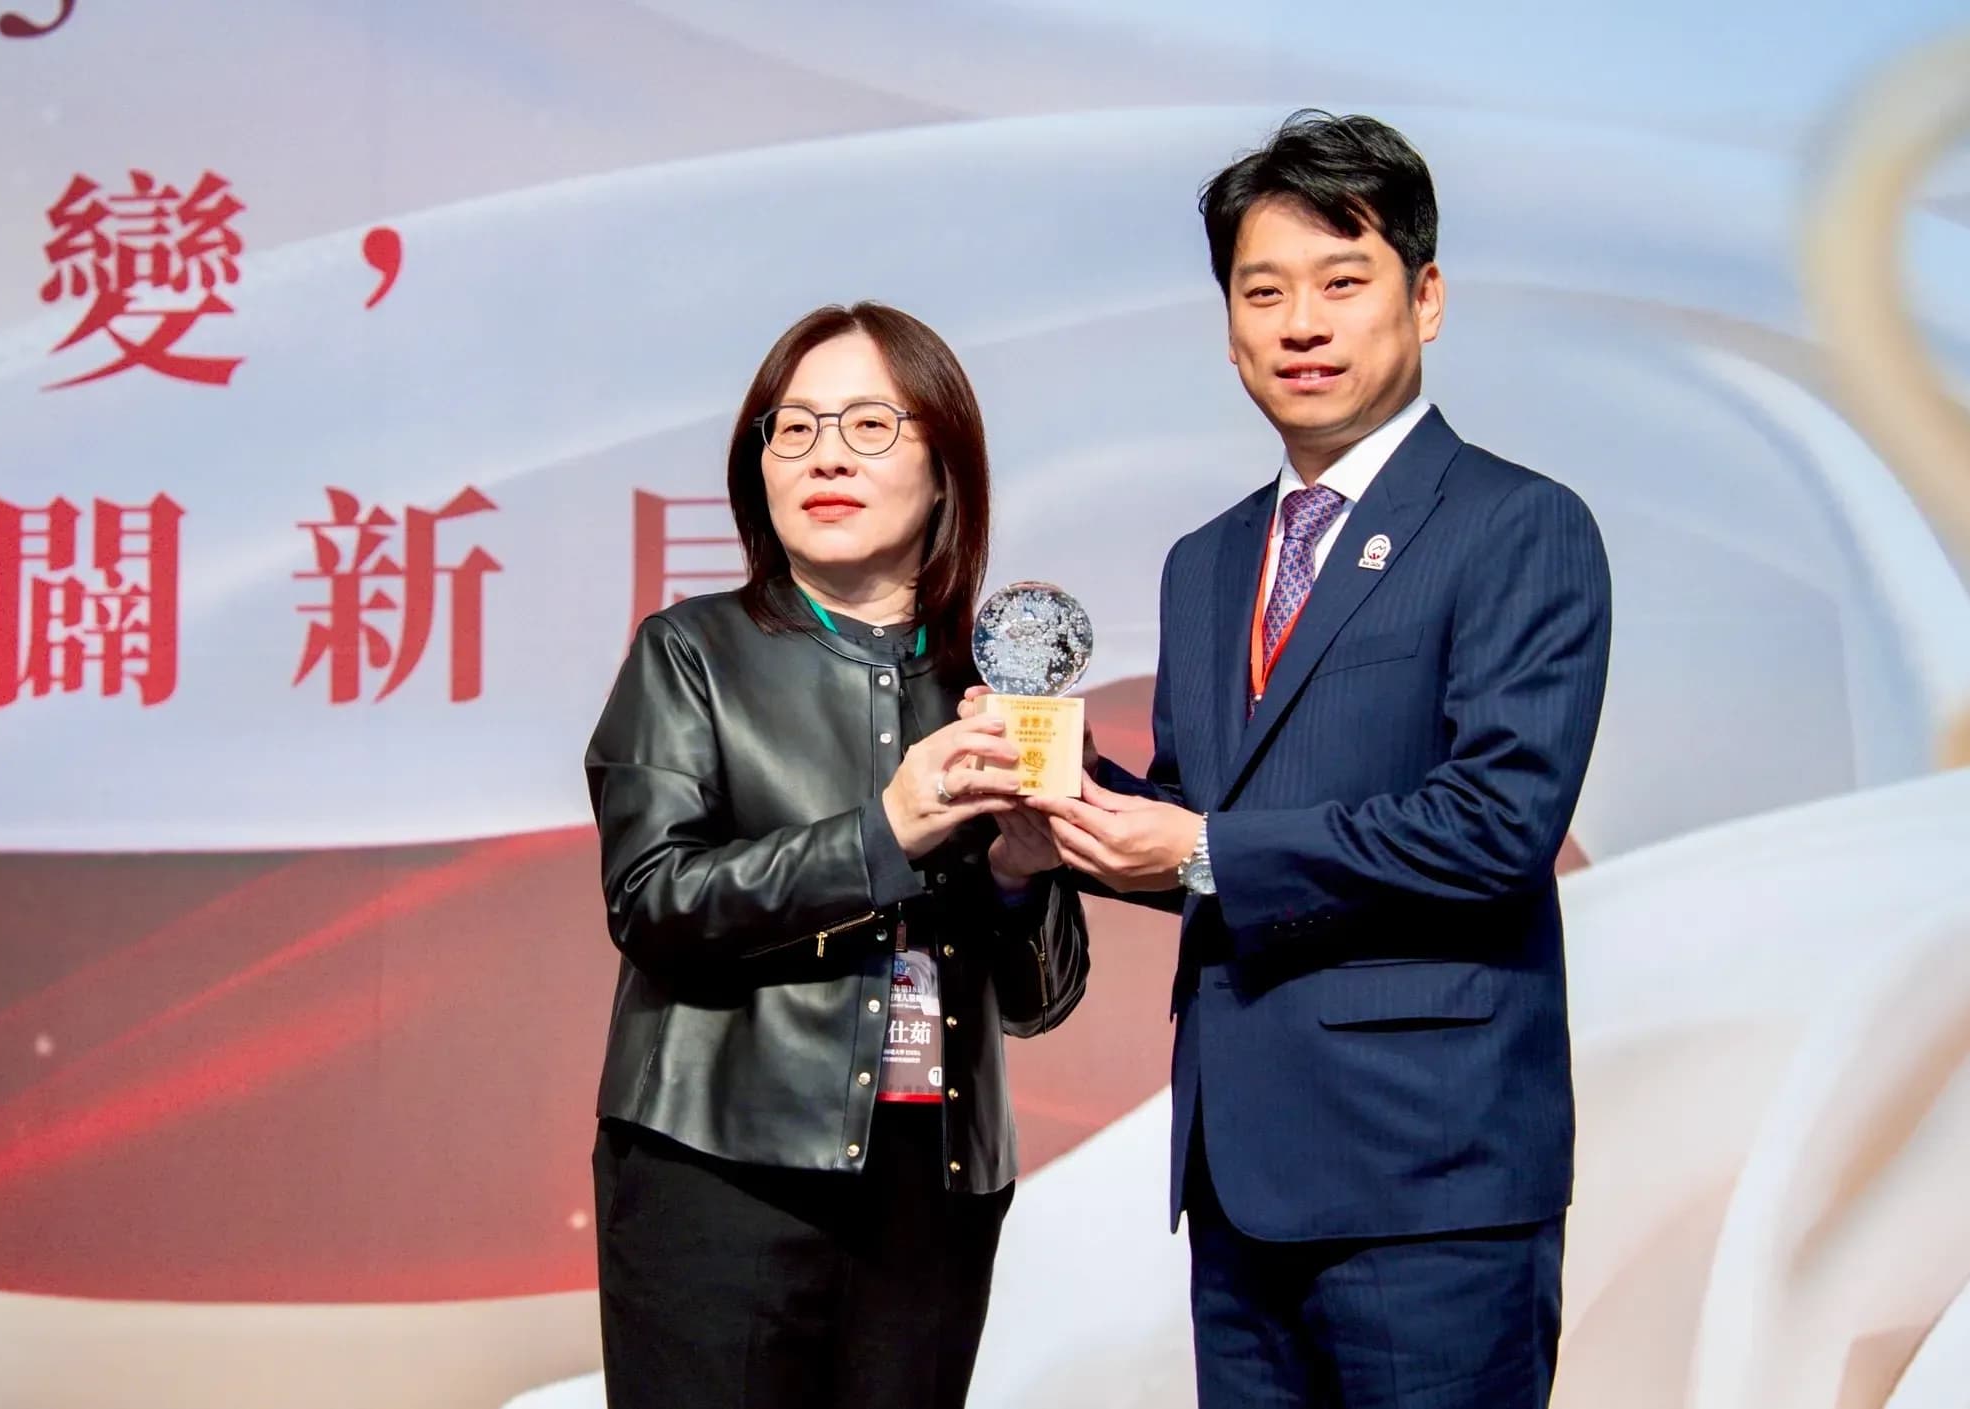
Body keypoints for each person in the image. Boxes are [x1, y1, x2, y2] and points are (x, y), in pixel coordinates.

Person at [1031, 111, 1613, 1407]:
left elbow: (1494, 825)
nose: (1302, 323)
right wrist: (1060, 816)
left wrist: (1196, 846)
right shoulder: (1207, 561)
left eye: (1343, 283)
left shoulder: (1519, 527)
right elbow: (1201, 833)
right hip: (1240, 1172)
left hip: (1432, 1179)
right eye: (1263, 289)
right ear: (1227, 319)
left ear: (1427, 297)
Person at [584, 301, 1089, 1409]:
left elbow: (1040, 997)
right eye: (794, 427)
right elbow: (654, 899)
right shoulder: (692, 652)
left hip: (935, 1181)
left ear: (945, 465)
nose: (825, 456)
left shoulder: (988, 687)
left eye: (870, 426)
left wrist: (1018, 877)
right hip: (720, 1170)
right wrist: (886, 830)